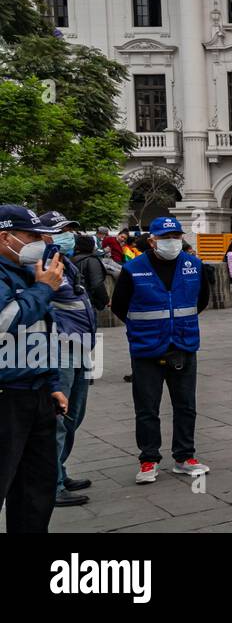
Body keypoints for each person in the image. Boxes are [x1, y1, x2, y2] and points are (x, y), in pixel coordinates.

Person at [111, 216, 210, 484]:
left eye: (176, 236)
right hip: (146, 347)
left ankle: (184, 456)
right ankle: (148, 459)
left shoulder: (194, 265)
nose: (172, 242)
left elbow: (201, 301)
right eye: (166, 237)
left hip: (183, 343)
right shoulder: (133, 269)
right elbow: (119, 306)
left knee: (186, 404)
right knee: (146, 407)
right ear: (152, 240)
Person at [0, 206, 67, 533]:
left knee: (36, 490)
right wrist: (43, 290)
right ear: (5, 237)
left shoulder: (27, 272)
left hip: (35, 394)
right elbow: (4, 324)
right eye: (31, 236)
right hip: (6, 397)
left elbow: (40, 334)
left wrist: (50, 382)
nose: (41, 242)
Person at [37, 214, 100, 508]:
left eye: (70, 229)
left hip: (80, 347)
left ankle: (59, 471)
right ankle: (51, 483)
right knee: (59, 419)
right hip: (57, 347)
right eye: (61, 230)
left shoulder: (66, 261)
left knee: (74, 415)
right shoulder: (39, 263)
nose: (69, 234)